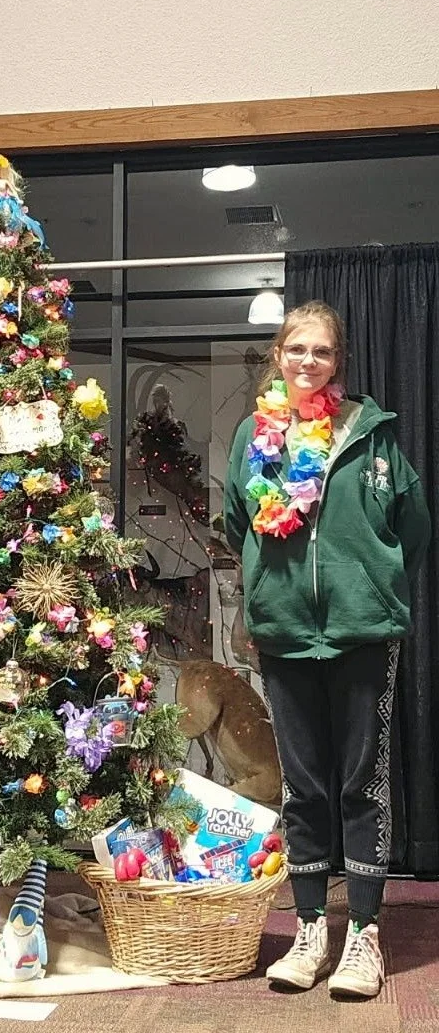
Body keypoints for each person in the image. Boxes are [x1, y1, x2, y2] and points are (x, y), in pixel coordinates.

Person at [225, 300, 429, 1000]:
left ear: (340, 362)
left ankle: (365, 934)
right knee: (305, 786)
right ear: (278, 356)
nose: (308, 362)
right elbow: (236, 523)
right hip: (284, 632)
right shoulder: (254, 436)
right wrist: (268, 590)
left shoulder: (374, 439)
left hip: (364, 631)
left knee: (360, 782)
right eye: (296, 349)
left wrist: (368, 581)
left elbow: (415, 530)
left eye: (322, 352)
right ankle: (312, 925)